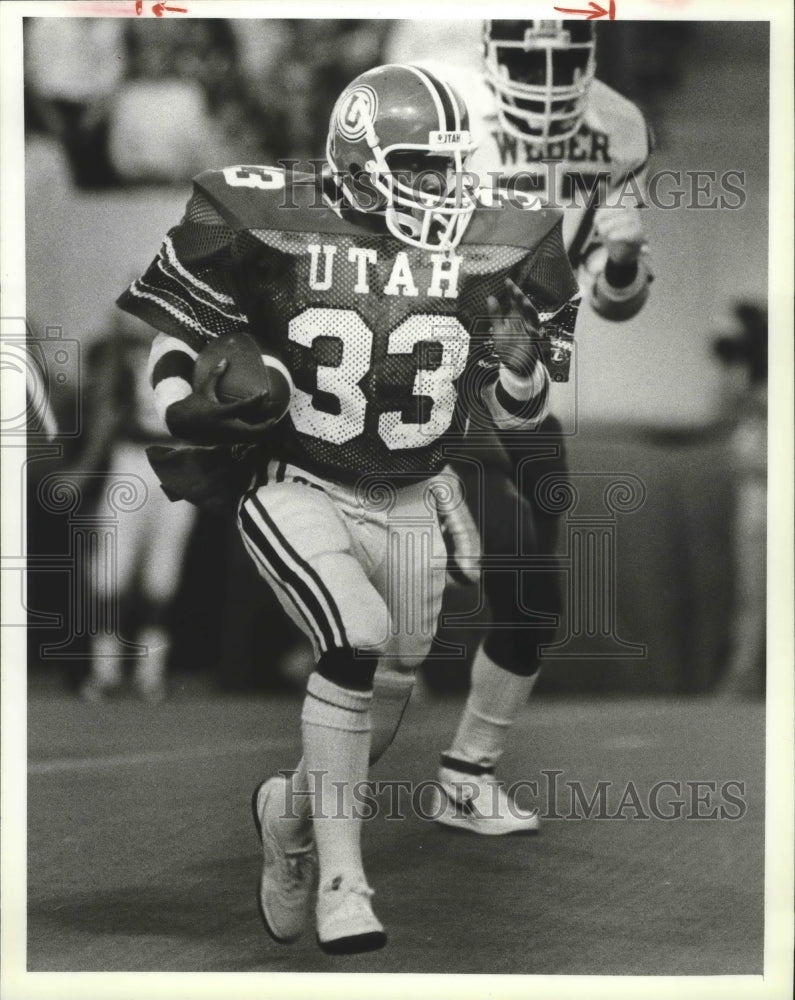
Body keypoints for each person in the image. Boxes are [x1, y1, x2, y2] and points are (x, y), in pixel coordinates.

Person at [117, 63, 581, 952]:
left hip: (411, 494)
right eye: (418, 165)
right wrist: (187, 406)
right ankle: (343, 881)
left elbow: (519, 411)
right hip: (300, 483)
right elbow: (178, 338)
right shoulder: (267, 214)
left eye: (448, 164)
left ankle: (287, 816)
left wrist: (520, 362)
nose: (441, 186)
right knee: (355, 632)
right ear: (358, 158)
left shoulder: (499, 242)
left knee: (391, 689)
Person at [386, 20, 653, 834]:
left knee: (535, 595)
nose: (545, 79)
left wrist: (618, 257)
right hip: (427, 356)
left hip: (519, 359)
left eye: (561, 60)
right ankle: (331, 758)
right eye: (528, 60)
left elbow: (619, 297)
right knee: (440, 574)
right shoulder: (437, 97)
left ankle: (465, 771)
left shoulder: (617, 126)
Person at [79, 311, 197, 702]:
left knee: (163, 575)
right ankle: (105, 670)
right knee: (111, 572)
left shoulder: (198, 356)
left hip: (177, 462)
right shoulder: (123, 356)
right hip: (131, 459)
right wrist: (116, 338)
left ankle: (150, 673)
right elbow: (104, 408)